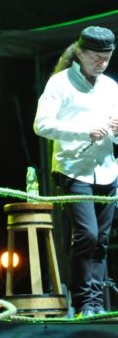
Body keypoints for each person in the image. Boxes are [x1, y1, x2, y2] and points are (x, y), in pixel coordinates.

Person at [34, 26, 118, 317]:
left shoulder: (110, 86)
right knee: (87, 235)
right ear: (80, 53)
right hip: (73, 169)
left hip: (107, 170)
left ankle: (96, 302)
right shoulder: (60, 83)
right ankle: (82, 303)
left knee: (102, 240)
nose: (102, 63)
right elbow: (41, 125)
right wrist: (84, 131)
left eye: (107, 58)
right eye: (96, 57)